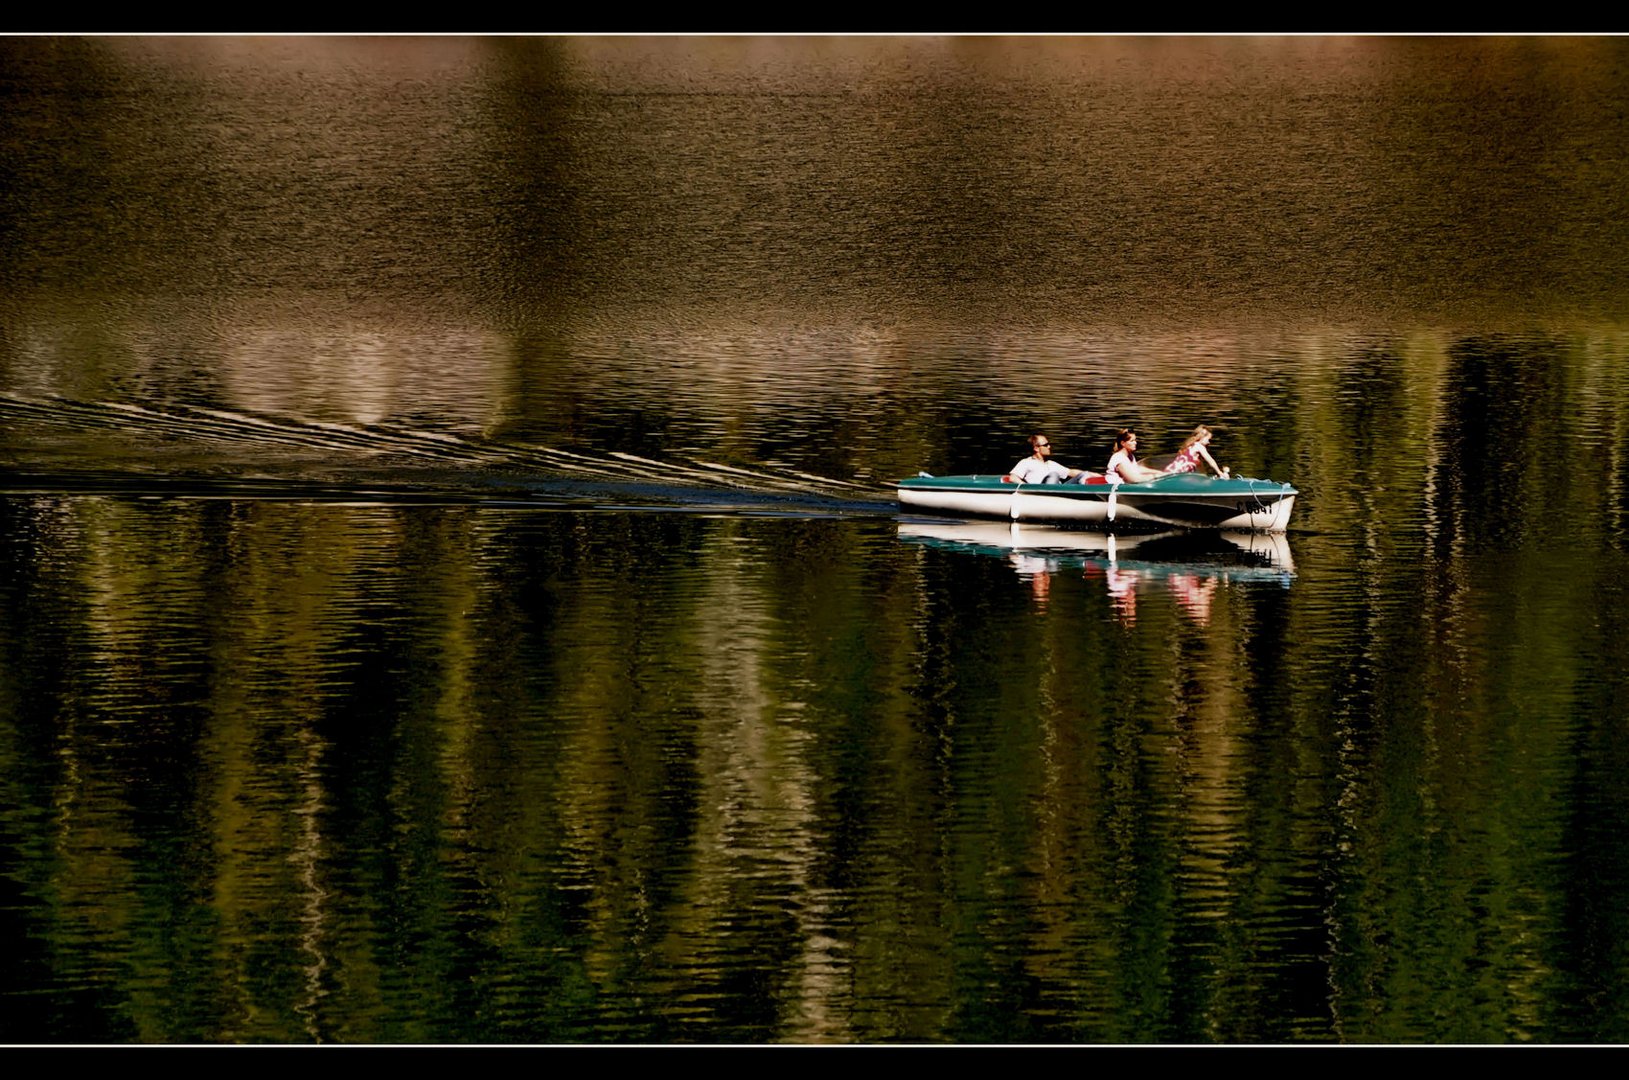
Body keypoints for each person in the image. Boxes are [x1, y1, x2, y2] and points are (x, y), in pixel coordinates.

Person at [1003, 434, 1084, 484]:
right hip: (1043, 494)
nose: (1049, 447)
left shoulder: (1051, 463)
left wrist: (1093, 475)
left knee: (1083, 475)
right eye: (1046, 445)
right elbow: (1013, 478)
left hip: (1059, 490)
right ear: (1036, 448)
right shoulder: (1026, 462)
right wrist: (1027, 488)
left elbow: (1070, 472)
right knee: (1054, 475)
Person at [1161, 425, 1231, 478]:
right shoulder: (1199, 446)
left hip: (1170, 472)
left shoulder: (1189, 446)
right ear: (1201, 437)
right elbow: (1210, 460)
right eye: (1208, 439)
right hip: (1176, 475)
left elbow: (1201, 469)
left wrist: (1205, 477)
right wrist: (1219, 472)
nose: (1208, 442)